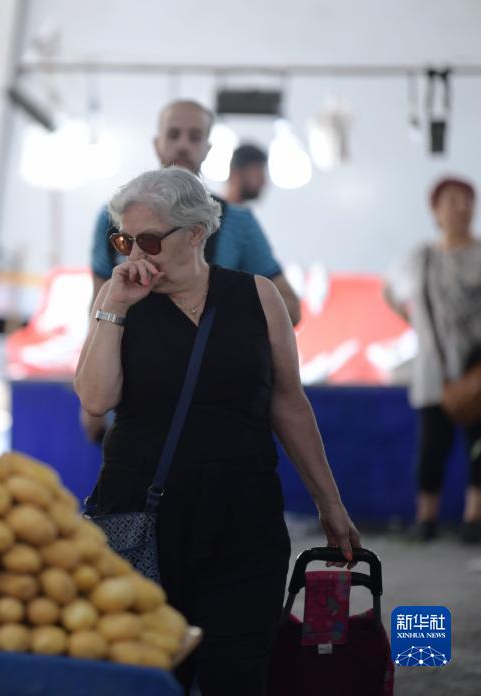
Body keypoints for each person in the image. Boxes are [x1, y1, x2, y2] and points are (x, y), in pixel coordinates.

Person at [75, 167, 359, 695]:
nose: (135, 256)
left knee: (240, 669)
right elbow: (95, 399)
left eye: (149, 240)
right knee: (148, 671)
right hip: (141, 514)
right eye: (124, 241)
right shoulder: (119, 300)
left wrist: (330, 502)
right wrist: (113, 307)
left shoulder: (258, 297)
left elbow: (288, 403)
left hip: (243, 515)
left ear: (196, 233)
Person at [83, 100, 300, 442]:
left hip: (216, 395)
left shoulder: (238, 222)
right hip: (138, 388)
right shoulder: (113, 218)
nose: (183, 144)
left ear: (208, 148)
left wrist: (223, 320)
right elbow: (98, 302)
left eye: (195, 136)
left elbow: (290, 307)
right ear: (157, 144)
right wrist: (91, 374)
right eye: (174, 134)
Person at [384, 176, 481, 543]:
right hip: (433, 370)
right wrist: (418, 325)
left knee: (478, 445)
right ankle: (426, 517)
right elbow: (389, 291)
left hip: (477, 367)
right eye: (453, 200)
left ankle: (474, 517)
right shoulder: (420, 257)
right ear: (436, 210)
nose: (462, 208)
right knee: (431, 447)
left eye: (468, 200)